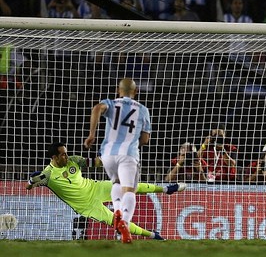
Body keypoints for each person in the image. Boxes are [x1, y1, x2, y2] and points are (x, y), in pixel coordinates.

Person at [25, 142, 186, 240]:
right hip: (86, 206)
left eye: (66, 153)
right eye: (63, 155)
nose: (67, 156)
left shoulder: (74, 160)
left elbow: (95, 163)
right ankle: (153, 235)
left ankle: (166, 189)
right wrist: (32, 181)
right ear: (54, 157)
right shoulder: (46, 175)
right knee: (118, 223)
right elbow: (29, 186)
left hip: (95, 187)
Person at [84, 78, 152, 244]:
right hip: (128, 154)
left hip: (107, 154)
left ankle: (118, 210)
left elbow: (97, 108)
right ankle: (125, 225)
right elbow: (145, 138)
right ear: (136, 92)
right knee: (129, 190)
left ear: (117, 90)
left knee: (116, 183)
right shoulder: (142, 110)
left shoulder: (111, 103)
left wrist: (92, 134)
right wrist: (136, 142)